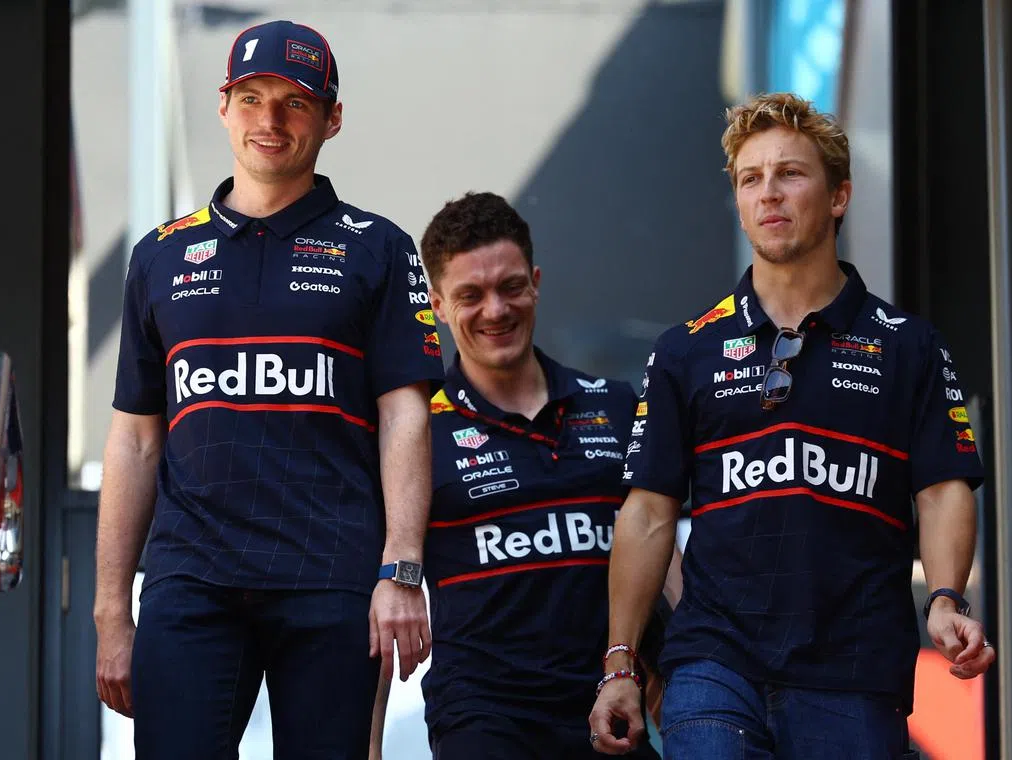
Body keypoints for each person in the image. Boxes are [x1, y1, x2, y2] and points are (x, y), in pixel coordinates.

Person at [588, 92, 996, 758]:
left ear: (839, 196)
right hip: (714, 663)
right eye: (751, 179)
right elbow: (648, 513)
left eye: (791, 174)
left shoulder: (908, 346)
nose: (769, 193)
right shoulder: (686, 348)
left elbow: (944, 487)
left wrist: (945, 599)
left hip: (855, 671)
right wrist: (621, 664)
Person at [93, 20, 443, 759]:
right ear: (223, 109)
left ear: (333, 118)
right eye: (250, 98)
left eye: (294, 102)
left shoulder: (376, 245)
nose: (269, 120)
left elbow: (407, 417)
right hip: (192, 578)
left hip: (331, 575)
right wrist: (109, 614)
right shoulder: (159, 254)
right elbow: (133, 436)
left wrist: (402, 569)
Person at [395, 191, 662, 759]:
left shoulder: (614, 405)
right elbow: (378, 602)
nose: (496, 310)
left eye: (511, 286)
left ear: (536, 281)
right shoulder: (416, 432)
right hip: (484, 720)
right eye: (471, 295)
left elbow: (663, 561)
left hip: (607, 712)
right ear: (438, 305)